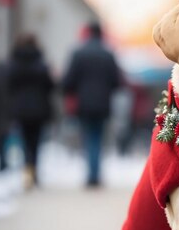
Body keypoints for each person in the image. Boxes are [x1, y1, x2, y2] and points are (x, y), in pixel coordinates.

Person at [62, 22, 121, 187]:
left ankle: (91, 174)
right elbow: (116, 81)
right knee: (98, 137)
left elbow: (68, 81)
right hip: (103, 104)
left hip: (84, 104)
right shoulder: (108, 54)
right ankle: (95, 174)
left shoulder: (78, 53)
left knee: (88, 138)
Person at [8, 34, 54, 188]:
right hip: (39, 109)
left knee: (24, 141)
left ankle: (27, 172)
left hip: (21, 109)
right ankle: (34, 173)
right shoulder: (41, 63)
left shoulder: (14, 63)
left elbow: (9, 85)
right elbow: (50, 86)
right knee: (35, 142)